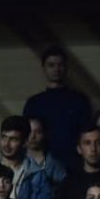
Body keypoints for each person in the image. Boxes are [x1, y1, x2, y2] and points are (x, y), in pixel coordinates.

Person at [24, 46, 90, 174]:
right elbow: (26, 138)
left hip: (75, 164)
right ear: (44, 68)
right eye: (51, 65)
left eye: (60, 64)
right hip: (42, 167)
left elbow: (87, 134)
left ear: (66, 67)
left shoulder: (80, 100)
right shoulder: (34, 103)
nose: (56, 69)